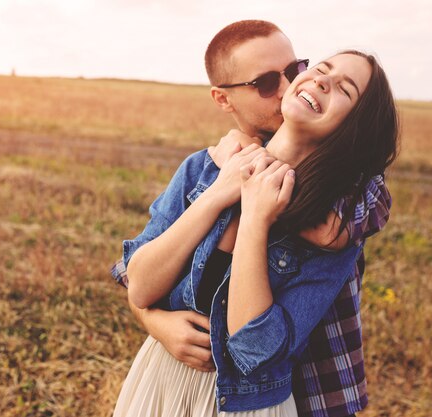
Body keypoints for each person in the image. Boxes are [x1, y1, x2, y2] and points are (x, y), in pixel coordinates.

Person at [111, 20, 391, 417]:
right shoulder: (206, 167)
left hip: (257, 399)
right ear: (224, 99)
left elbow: (253, 350)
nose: (291, 85)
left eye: (294, 69)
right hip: (162, 380)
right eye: (264, 83)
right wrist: (155, 320)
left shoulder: (340, 216)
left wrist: (258, 212)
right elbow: (136, 282)